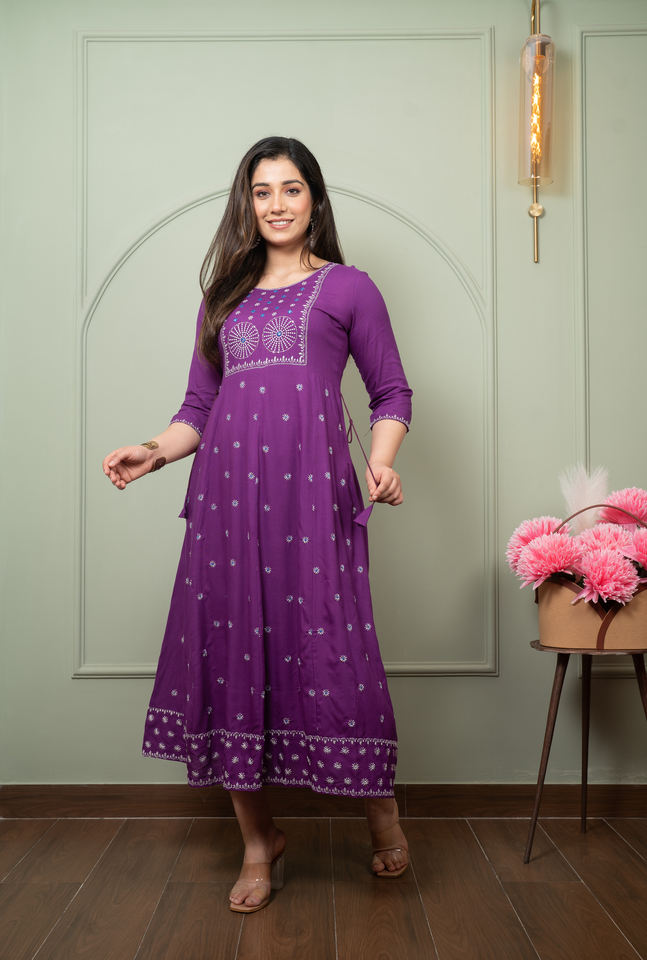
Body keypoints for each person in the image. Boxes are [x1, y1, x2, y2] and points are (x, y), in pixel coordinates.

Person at [102, 136, 413, 913]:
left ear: (315, 200)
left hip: (315, 500)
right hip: (227, 506)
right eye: (262, 191)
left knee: (336, 653)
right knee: (231, 656)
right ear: (247, 203)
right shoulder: (222, 297)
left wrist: (380, 462)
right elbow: (197, 407)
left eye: (291, 188)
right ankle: (256, 841)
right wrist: (152, 451)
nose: (277, 204)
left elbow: (391, 391)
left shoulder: (349, 288)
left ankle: (380, 812)